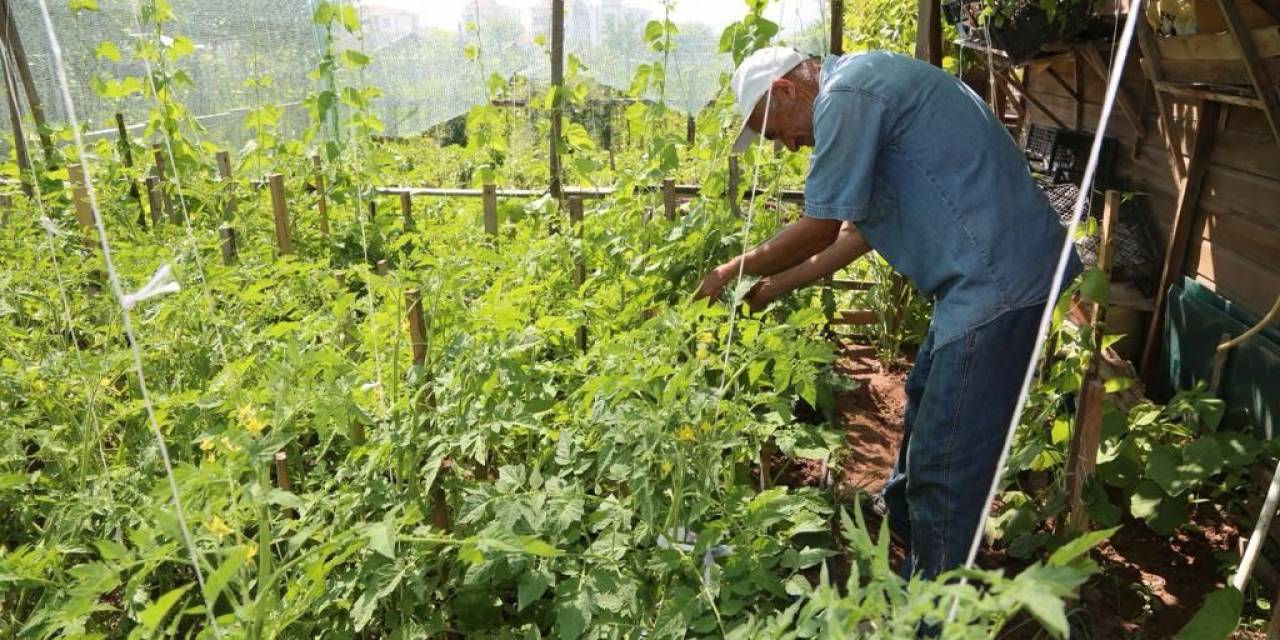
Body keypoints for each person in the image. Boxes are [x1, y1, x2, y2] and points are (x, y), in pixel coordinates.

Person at [695, 47, 1080, 580]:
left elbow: (820, 226)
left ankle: (933, 607)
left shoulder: (845, 96)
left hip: (998, 280)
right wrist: (775, 286)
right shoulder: (864, 84)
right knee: (924, 395)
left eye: (775, 130)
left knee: (949, 458)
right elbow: (857, 235)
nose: (787, 145)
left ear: (785, 89)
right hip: (986, 275)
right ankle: (898, 511)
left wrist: (729, 271)